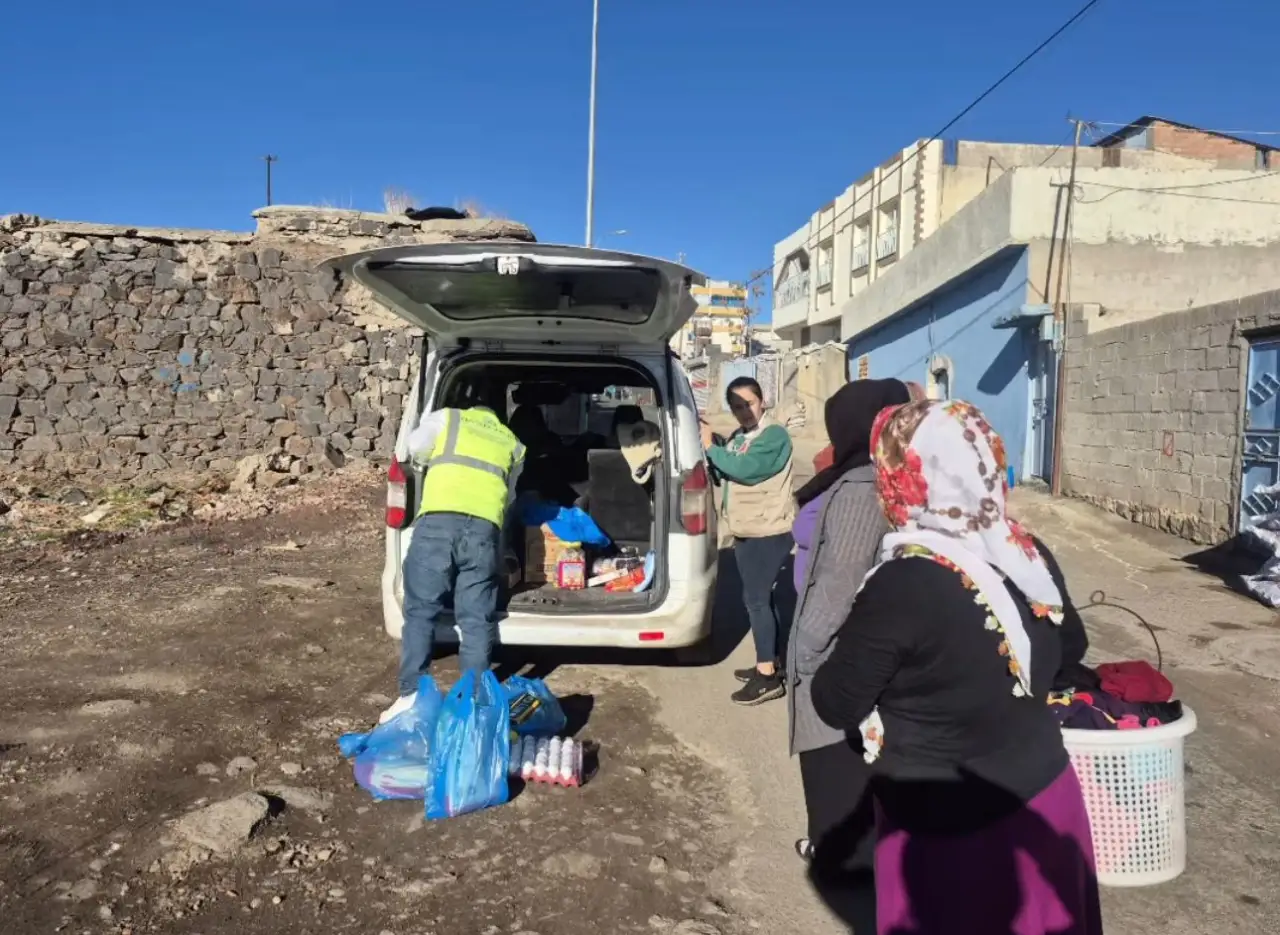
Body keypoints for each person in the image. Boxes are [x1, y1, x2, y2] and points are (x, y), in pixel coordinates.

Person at [811, 399, 1102, 935]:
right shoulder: (1022, 551)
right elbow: (1070, 649)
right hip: (1044, 802)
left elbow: (837, 701)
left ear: (903, 475)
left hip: (949, 830)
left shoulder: (903, 582)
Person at [785, 379, 911, 930]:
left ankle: (843, 864)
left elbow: (839, 583)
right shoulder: (869, 476)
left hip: (834, 652)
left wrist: (804, 652)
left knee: (831, 757)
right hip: (850, 647)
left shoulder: (861, 488)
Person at [380, 396, 526, 724]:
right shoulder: (512, 442)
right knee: (476, 619)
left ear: (472, 410)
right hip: (484, 532)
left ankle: (411, 696)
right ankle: (473, 700)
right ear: (497, 419)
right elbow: (511, 494)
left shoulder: (448, 418)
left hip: (438, 527)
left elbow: (415, 448)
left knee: (421, 612)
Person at [700, 376, 796, 705]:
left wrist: (711, 447)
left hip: (768, 530)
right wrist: (714, 451)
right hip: (746, 528)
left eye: (749, 403)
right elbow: (726, 472)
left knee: (756, 600)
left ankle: (767, 676)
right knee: (757, 599)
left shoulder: (774, 435)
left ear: (762, 401)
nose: (744, 411)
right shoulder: (739, 437)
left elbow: (748, 469)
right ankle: (769, 660)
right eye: (737, 406)